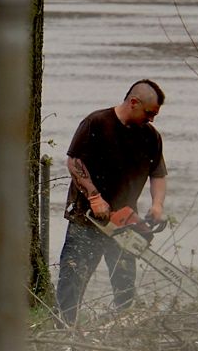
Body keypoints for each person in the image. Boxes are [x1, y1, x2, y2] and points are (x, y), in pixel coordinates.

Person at [55, 79, 168, 327]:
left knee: (124, 283)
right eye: (149, 113)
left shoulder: (150, 136)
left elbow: (158, 173)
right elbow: (74, 162)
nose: (151, 119)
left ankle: (121, 331)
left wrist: (157, 205)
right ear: (134, 102)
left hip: (124, 222)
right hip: (87, 219)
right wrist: (94, 197)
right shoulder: (97, 123)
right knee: (73, 279)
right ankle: (64, 330)